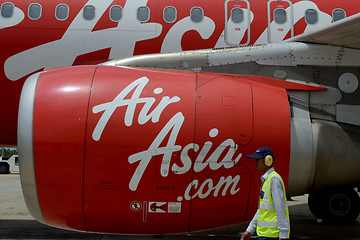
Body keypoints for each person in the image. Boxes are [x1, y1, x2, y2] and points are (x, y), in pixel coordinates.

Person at [241, 147, 290, 240]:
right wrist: (249, 230)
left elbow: (280, 208)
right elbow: (262, 210)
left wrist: (283, 234)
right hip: (264, 235)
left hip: (272, 236)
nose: (255, 162)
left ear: (268, 160)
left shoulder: (274, 180)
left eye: (257, 159)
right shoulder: (266, 180)